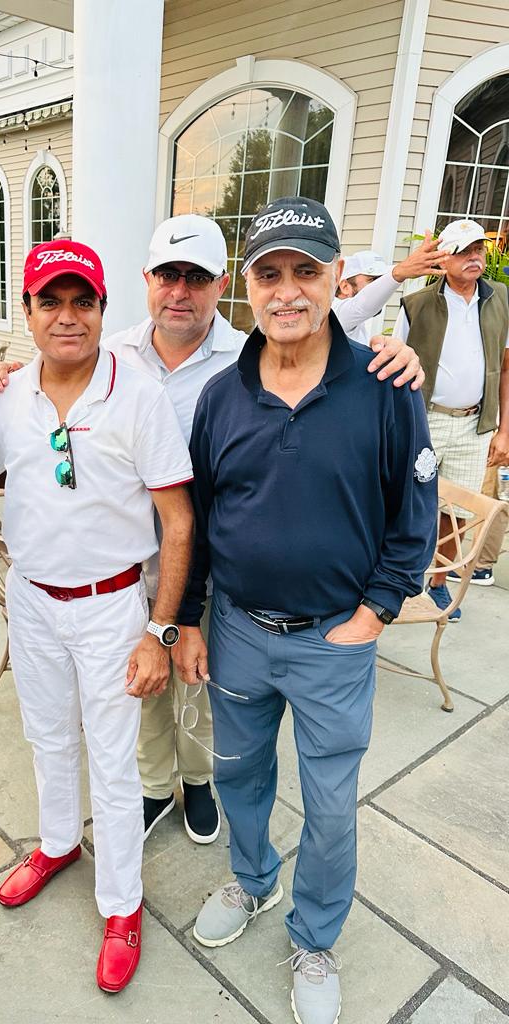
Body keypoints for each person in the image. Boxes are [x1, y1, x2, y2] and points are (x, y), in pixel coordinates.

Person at [0, 218, 426, 848]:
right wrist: (3, 379)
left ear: (221, 285)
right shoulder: (112, 350)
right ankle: (154, 786)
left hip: (210, 562)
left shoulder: (246, 358)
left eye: (196, 278)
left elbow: (329, 343)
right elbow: (51, 377)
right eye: (168, 275)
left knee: (201, 688)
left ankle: (197, 782)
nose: (179, 291)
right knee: (141, 694)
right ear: (147, 280)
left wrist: (398, 352)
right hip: (124, 565)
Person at [174, 197, 437, 1024]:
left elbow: (414, 513)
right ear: (247, 286)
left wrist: (377, 612)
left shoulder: (386, 386)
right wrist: (189, 618)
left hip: (332, 641)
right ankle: (253, 880)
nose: (287, 291)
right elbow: (200, 519)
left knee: (328, 807)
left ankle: (315, 935)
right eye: (270, 274)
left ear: (336, 279)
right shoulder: (220, 396)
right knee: (238, 774)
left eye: (306, 271)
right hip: (240, 632)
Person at [0, 240, 194, 993]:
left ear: (102, 308)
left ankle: (122, 905)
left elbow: (178, 522)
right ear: (27, 311)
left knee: (112, 759)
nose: (67, 317)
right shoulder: (7, 395)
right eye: (51, 302)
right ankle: (58, 842)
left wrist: (158, 630)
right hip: (34, 599)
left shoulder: (138, 394)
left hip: (111, 607)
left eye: (82, 301)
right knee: (46, 737)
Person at [394, 218, 509, 609]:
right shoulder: (416, 305)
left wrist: (503, 430)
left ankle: (440, 582)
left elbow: (506, 368)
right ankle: (401, 578)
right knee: (408, 504)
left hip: (475, 424)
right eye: (463, 252)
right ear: (443, 260)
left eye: (478, 250)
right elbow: (395, 367)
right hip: (425, 420)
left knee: (457, 513)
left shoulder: (500, 299)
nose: (474, 258)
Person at [333, 233, 450, 345]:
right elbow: (361, 306)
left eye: (382, 279)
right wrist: (400, 273)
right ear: (345, 287)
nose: (380, 286)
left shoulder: (356, 323)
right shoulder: (334, 313)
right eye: (373, 280)